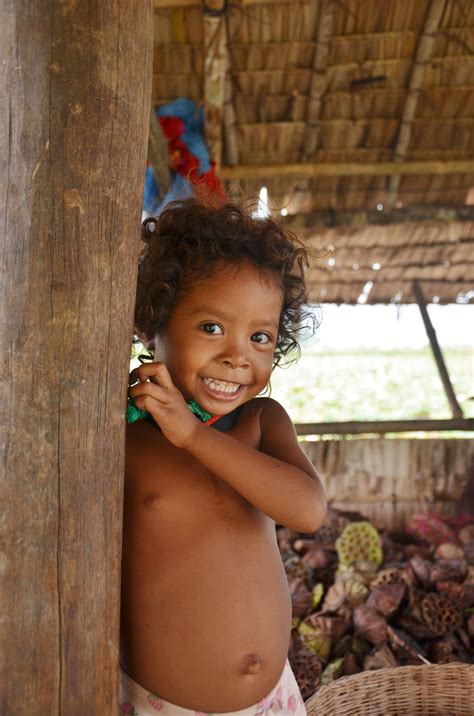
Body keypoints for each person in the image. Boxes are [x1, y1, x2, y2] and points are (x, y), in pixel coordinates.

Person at [120, 199, 327, 715]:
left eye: (260, 337)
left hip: (274, 700)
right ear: (152, 326)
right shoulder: (125, 441)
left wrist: (191, 434)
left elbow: (308, 511)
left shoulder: (262, 422)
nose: (238, 355)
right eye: (212, 327)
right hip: (162, 705)